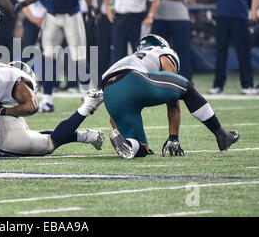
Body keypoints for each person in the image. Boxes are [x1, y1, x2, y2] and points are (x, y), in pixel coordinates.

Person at [99, 34, 239, 159]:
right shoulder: (162, 52)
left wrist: (119, 130)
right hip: (133, 79)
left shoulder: (129, 58)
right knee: (186, 87)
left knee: (141, 149)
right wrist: (173, 137)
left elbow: (113, 119)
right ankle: (221, 134)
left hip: (109, 92)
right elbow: (173, 96)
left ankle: (128, 144)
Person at [208, 0, 256, 95]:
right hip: (222, 16)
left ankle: (247, 85)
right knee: (221, 51)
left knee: (243, 51)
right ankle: (218, 85)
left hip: (240, 17)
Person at [91, 0, 119, 85]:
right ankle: (99, 82)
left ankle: (121, 82)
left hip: (120, 17)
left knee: (121, 52)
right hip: (102, 18)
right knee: (102, 52)